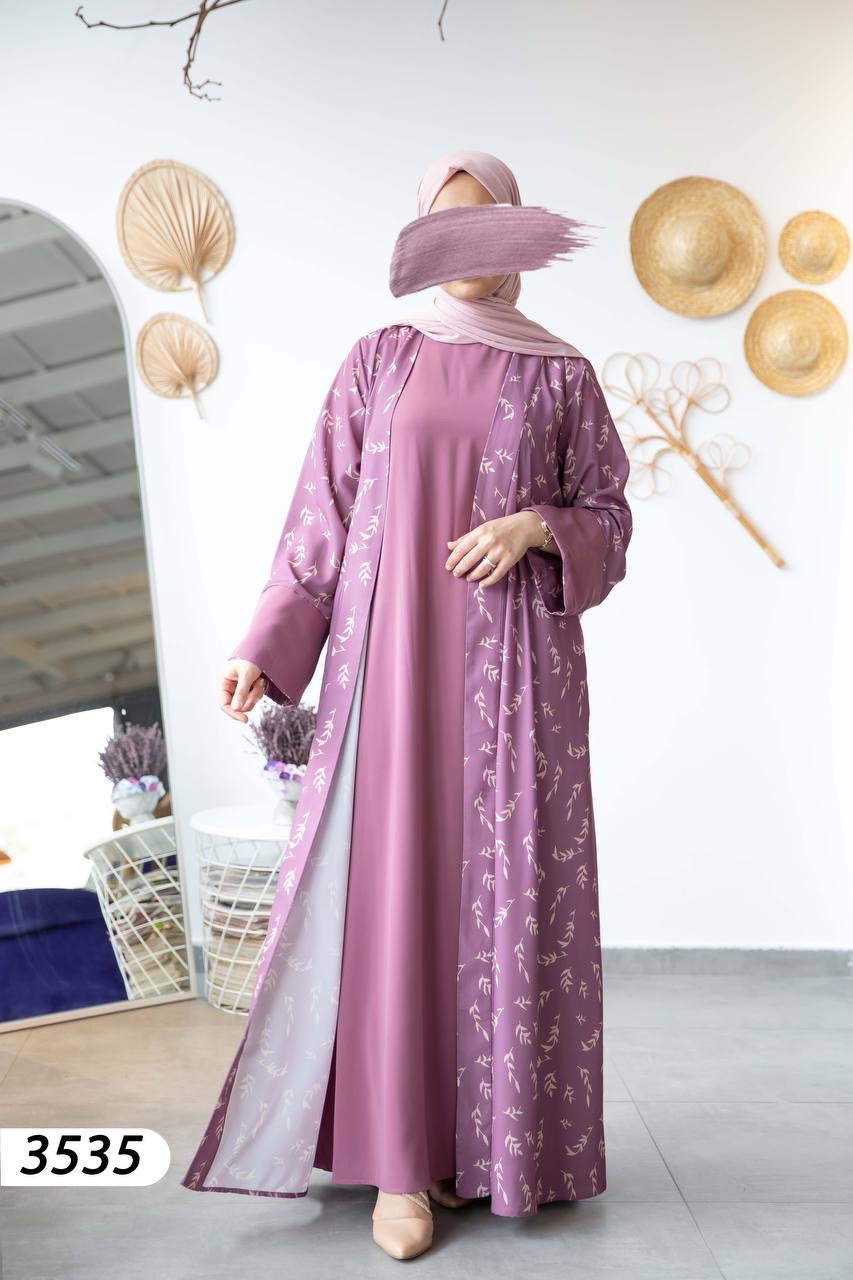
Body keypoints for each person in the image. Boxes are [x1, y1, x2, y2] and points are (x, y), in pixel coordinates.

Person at [181, 149, 633, 1262]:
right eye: (448, 226)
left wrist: (536, 527)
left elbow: (609, 515)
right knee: (393, 898)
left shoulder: (562, 376)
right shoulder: (379, 358)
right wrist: (266, 649)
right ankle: (398, 1161)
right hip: (389, 672)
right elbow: (320, 519)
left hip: (518, 680)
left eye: (490, 225)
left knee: (503, 893)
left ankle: (491, 1147)